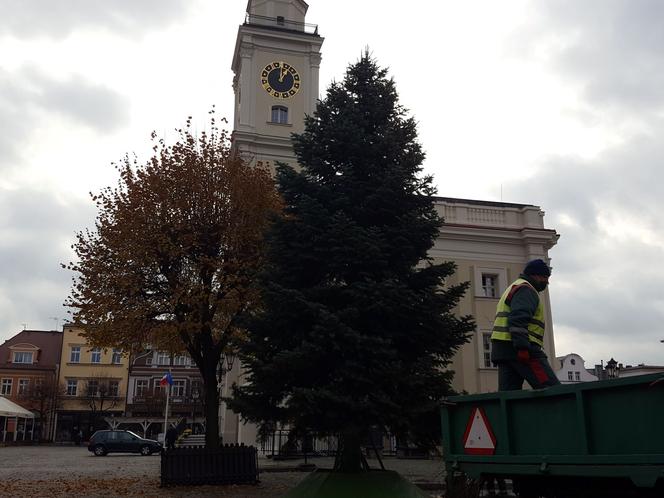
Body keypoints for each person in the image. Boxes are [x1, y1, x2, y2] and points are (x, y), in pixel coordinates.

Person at [490, 258, 561, 390]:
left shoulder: (515, 286)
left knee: (509, 395)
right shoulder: (526, 290)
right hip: (520, 348)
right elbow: (518, 319)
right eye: (545, 277)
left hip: (504, 350)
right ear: (535, 275)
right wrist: (523, 347)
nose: (547, 281)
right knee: (552, 389)